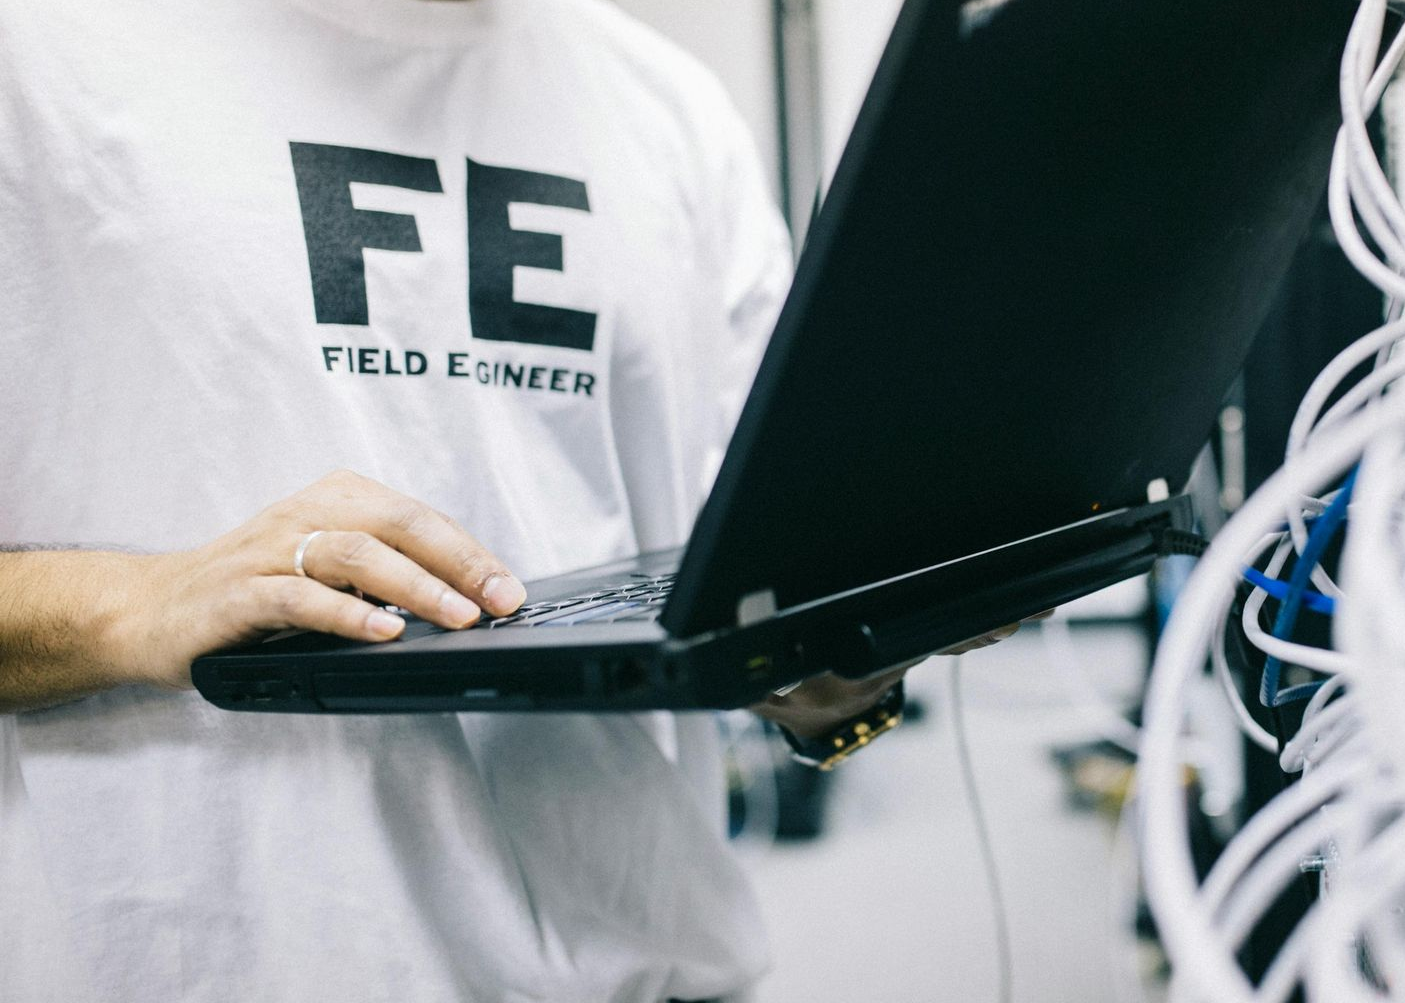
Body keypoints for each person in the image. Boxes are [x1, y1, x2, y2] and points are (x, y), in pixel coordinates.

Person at [0, 0, 966, 998]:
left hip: (649, 971)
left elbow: (760, 579)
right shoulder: (35, 51)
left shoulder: (672, 107)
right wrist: (136, 603)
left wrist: (840, 672)